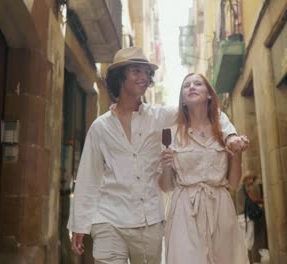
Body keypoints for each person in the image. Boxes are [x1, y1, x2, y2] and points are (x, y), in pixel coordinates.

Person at [67, 47, 249, 264]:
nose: (144, 78)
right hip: (109, 217)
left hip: (149, 220)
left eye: (147, 73)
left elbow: (210, 112)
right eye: (136, 71)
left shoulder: (160, 116)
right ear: (120, 77)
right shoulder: (100, 127)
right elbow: (89, 177)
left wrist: (230, 137)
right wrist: (80, 224)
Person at [159, 73, 249, 264]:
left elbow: (233, 183)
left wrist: (238, 153)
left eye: (198, 84)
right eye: (186, 86)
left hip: (220, 207)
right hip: (185, 209)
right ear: (182, 100)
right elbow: (166, 187)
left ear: (209, 94)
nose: (192, 87)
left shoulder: (222, 127)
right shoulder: (172, 132)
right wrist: (166, 165)